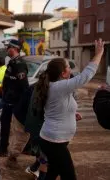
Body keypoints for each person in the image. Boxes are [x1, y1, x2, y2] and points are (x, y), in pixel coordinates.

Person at [38, 39, 104, 180]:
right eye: (68, 67)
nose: (70, 69)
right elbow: (85, 77)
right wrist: (99, 54)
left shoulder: (58, 87)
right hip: (54, 141)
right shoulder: (59, 87)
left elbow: (58, 107)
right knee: (69, 176)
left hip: (54, 139)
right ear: (63, 73)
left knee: (52, 173)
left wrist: (71, 114)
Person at [0, 39, 29, 157]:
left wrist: (21, 103)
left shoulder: (20, 64)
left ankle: (25, 149)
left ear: (14, 49)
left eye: (8, 47)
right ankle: (2, 149)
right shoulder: (11, 63)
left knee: (20, 128)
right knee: (4, 125)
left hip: (15, 102)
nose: (7, 49)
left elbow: (24, 86)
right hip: (8, 100)